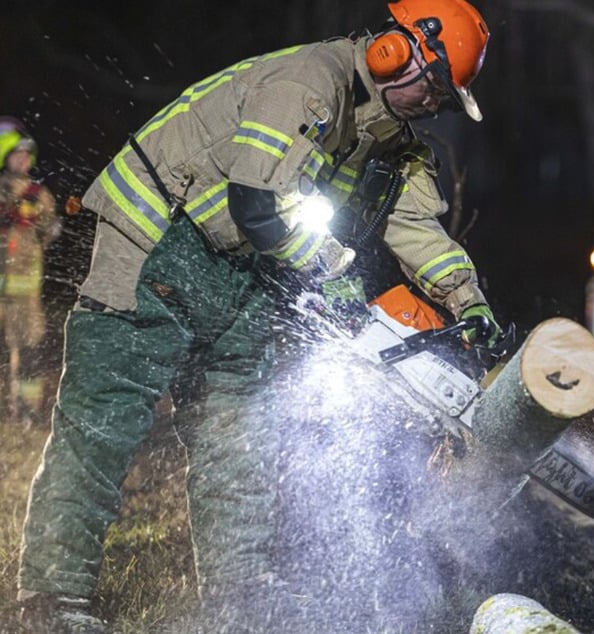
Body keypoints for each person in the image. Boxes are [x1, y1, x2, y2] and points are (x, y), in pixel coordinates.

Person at [16, 0, 499, 631]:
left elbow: (412, 225)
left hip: (244, 273)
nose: (433, 104)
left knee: (236, 445)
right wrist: (328, 269)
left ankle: (241, 601)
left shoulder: (390, 141)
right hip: (158, 238)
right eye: (434, 87)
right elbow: (256, 201)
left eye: (444, 97)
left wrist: (469, 299)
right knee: (103, 427)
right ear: (396, 51)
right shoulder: (309, 80)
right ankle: (51, 601)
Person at [0, 118, 60, 425]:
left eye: (27, 154)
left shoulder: (39, 196)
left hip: (25, 295)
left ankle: (27, 411)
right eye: (17, 154)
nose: (23, 160)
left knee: (30, 352)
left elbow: (51, 231)